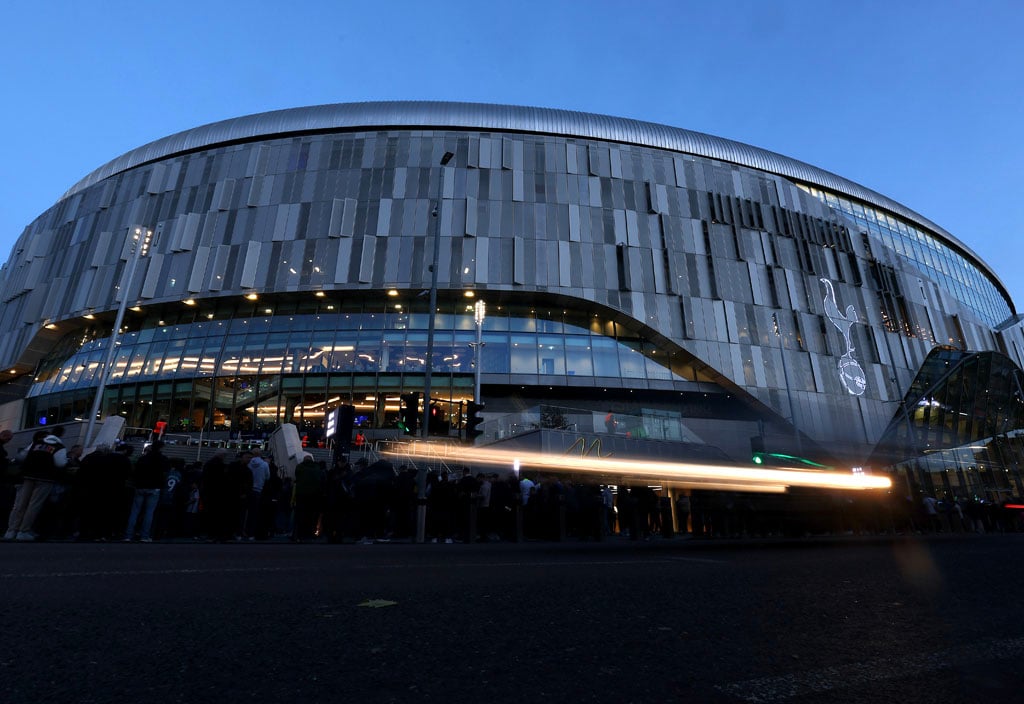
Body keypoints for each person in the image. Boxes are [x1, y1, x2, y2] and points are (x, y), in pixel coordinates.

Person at [5, 427, 68, 541]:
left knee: (21, 504)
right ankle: (24, 531)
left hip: (28, 476)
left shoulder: (36, 444)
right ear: (61, 435)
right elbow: (60, 463)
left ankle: (12, 530)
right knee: (34, 505)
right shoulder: (59, 447)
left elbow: (22, 456)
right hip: (45, 478)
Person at [124, 440, 170, 542]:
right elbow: (165, 473)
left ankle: (128, 535)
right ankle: (144, 535)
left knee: (135, 511)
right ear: (161, 448)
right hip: (154, 487)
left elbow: (135, 472)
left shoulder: (142, 459)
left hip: (140, 486)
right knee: (149, 512)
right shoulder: (163, 459)